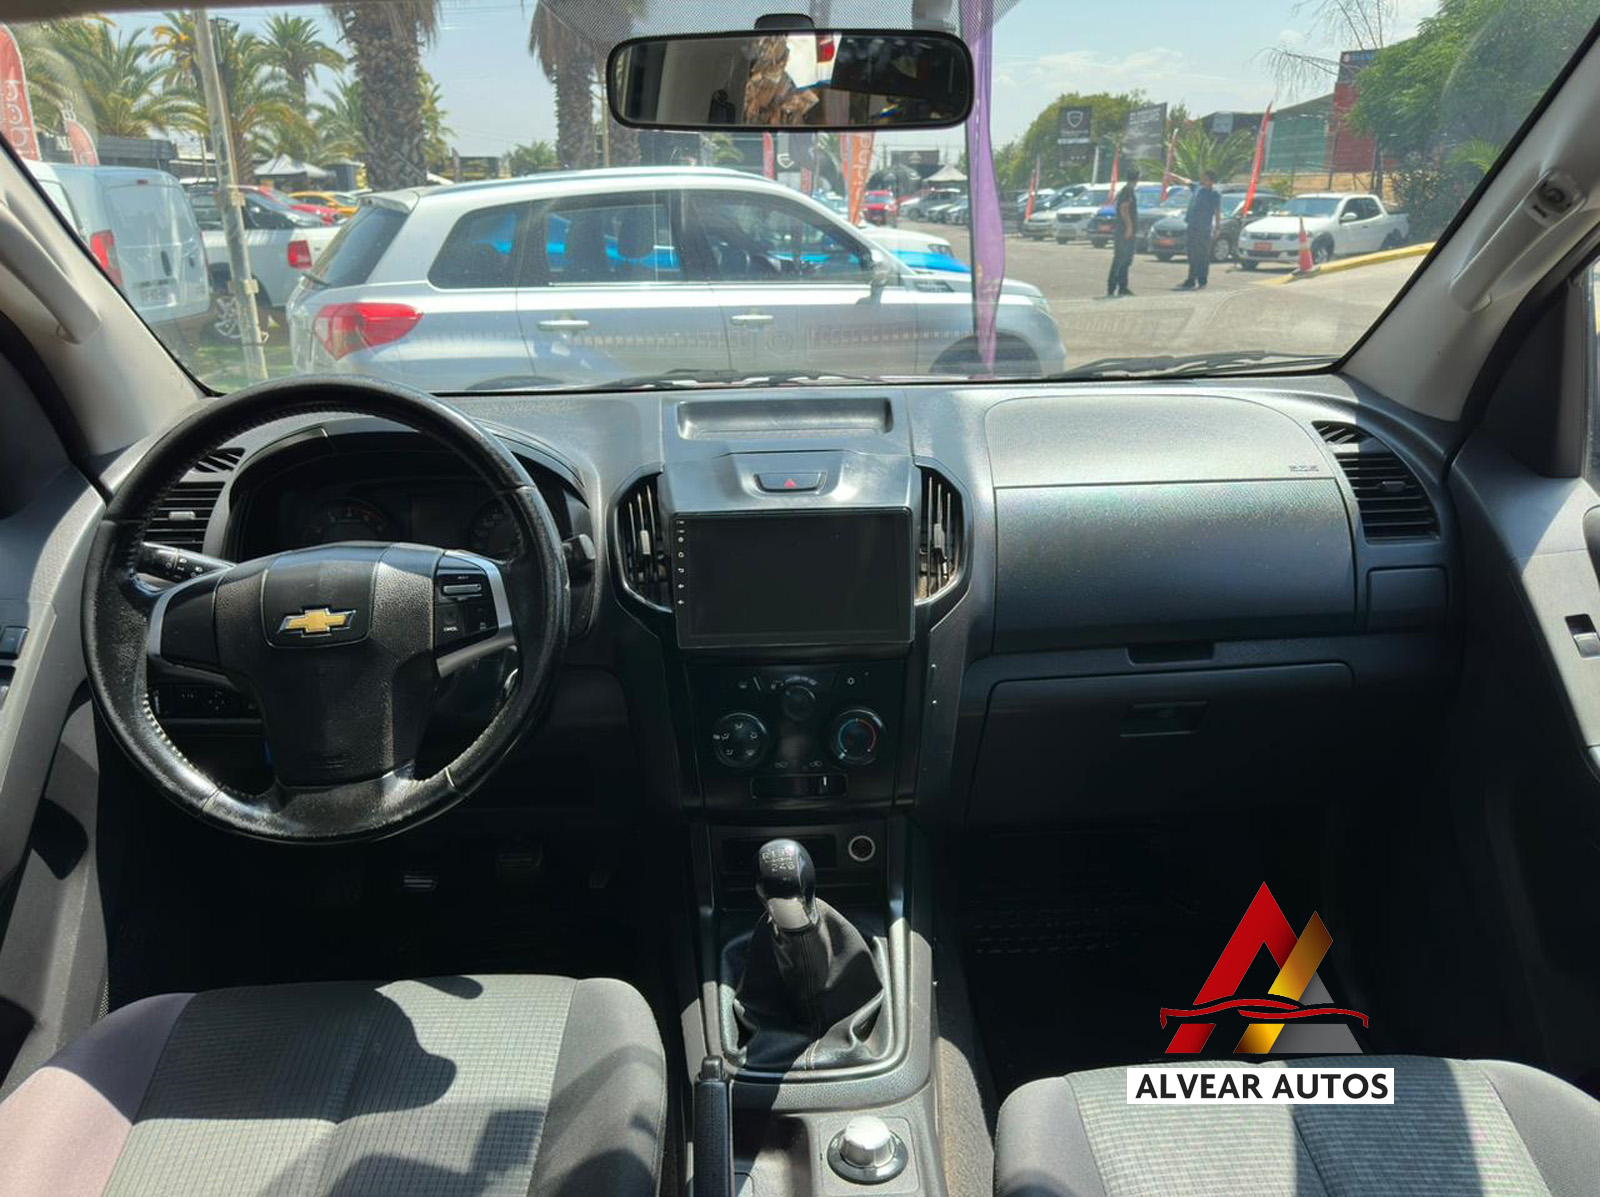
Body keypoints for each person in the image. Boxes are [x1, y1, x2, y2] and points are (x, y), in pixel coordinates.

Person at [1176, 171, 1222, 290]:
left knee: (1202, 254)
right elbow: (1187, 182)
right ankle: (1191, 279)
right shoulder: (1197, 188)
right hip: (1192, 225)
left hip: (1204, 228)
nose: (1202, 180)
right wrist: (1173, 176)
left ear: (1211, 181)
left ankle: (1202, 279)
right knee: (1191, 254)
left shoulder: (1214, 194)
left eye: (1205, 178)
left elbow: (1217, 211)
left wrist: (1217, 227)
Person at [1105, 164, 1141, 298]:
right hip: (1124, 231)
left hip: (1125, 231)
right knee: (1120, 259)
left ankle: (1123, 287)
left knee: (1126, 260)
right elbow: (1124, 208)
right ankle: (1112, 286)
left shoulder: (1127, 190)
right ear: (1137, 178)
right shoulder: (1127, 191)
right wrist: (1129, 227)